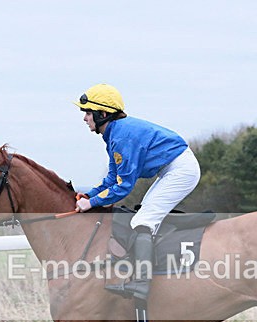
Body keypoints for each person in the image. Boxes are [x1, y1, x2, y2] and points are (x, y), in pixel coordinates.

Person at [74, 83, 201, 302]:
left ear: (102, 114)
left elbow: (124, 186)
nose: (85, 118)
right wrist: (90, 194)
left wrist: (92, 202)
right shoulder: (114, 134)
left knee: (143, 220)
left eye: (88, 112)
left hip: (180, 170)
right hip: (172, 168)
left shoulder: (121, 136)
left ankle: (142, 284)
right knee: (144, 215)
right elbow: (113, 178)